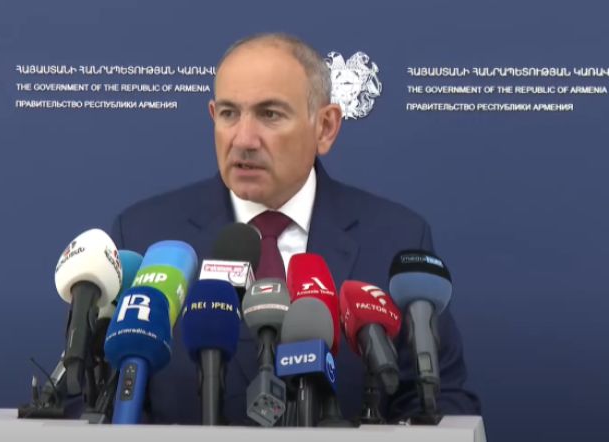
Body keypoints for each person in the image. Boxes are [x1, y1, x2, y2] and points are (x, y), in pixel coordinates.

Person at [110, 33, 480, 424]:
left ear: (325, 127)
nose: (243, 139)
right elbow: (92, 407)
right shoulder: (143, 236)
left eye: (270, 114)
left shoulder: (395, 238)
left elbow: (439, 407)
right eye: (229, 114)